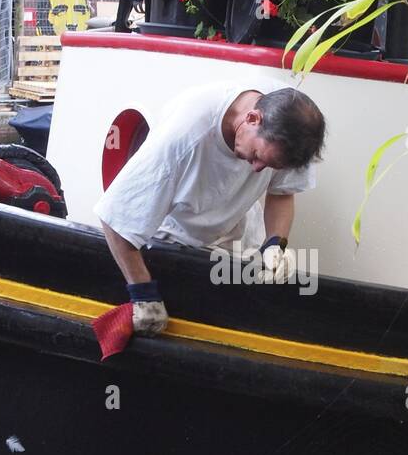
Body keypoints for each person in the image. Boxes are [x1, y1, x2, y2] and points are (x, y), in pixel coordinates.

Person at [95, 81, 326, 334]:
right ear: (252, 118)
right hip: (167, 243)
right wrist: (142, 293)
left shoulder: (294, 124)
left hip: (237, 243)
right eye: (258, 156)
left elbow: (282, 193)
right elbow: (115, 217)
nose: (258, 169)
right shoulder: (184, 135)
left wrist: (275, 244)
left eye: (270, 165)